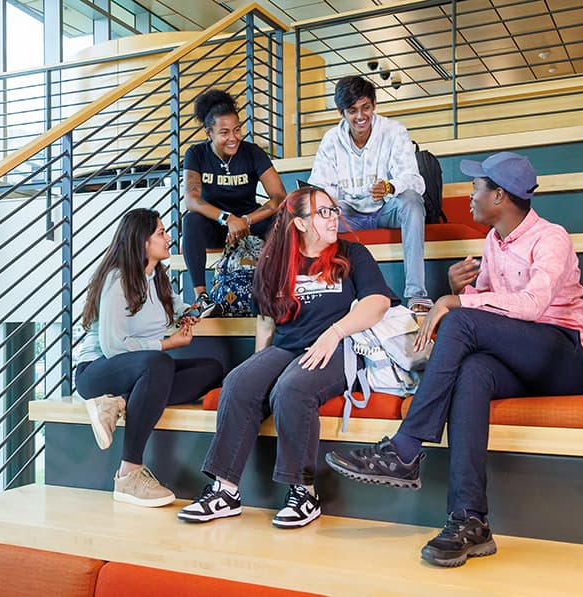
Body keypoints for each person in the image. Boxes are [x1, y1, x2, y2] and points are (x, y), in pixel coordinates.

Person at [326, 152, 583, 566]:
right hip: (520, 358)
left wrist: (456, 302)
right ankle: (470, 520)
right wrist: (462, 291)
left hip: (565, 355)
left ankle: (406, 447)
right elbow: (488, 310)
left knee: (459, 321)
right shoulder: (494, 241)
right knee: (472, 373)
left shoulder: (551, 238)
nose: (469, 194)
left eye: (477, 187)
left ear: (500, 196)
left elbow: (530, 304)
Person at [177, 186, 397, 528]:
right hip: (288, 346)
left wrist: (334, 333)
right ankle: (226, 490)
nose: (333, 217)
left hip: (339, 347)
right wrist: (256, 369)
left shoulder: (353, 254)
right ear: (299, 224)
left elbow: (378, 302)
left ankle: (304, 493)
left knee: (292, 388)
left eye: (333, 210)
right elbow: (266, 322)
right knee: (238, 382)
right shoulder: (276, 262)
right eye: (322, 212)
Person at [75, 208, 224, 508]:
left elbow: (176, 307)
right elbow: (115, 346)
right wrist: (168, 343)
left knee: (212, 368)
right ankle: (129, 472)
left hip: (137, 372)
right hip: (97, 371)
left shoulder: (157, 277)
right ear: (143, 241)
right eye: (160, 233)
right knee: (159, 363)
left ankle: (118, 403)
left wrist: (190, 314)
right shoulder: (117, 280)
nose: (168, 237)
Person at [307, 75, 432, 313]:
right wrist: (325, 206)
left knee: (412, 201)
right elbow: (320, 188)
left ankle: (417, 294)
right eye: (352, 110)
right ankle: (321, 296)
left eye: (365, 107)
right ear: (341, 112)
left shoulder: (394, 131)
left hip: (387, 210)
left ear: (374, 104)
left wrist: (390, 187)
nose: (360, 116)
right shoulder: (331, 140)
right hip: (348, 215)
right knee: (315, 214)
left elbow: (416, 181)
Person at [183, 88, 287, 312]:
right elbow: (191, 199)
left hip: (250, 221)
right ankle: (202, 296)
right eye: (224, 132)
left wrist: (246, 220)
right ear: (209, 133)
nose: (233, 138)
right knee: (191, 220)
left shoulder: (252, 152)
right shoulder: (196, 154)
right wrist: (227, 218)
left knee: (282, 218)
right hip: (216, 225)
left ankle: (279, 289)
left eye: (237, 130)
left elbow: (279, 196)